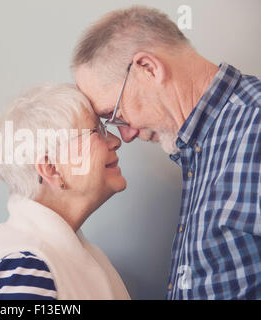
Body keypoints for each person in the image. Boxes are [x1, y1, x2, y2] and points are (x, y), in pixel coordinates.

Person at [72, 6, 260, 299]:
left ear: (148, 68)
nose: (126, 135)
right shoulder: (199, 147)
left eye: (115, 112)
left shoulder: (255, 129)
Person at [0, 83, 130, 300]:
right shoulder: (26, 271)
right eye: (97, 131)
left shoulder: (51, 259)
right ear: (52, 168)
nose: (115, 141)